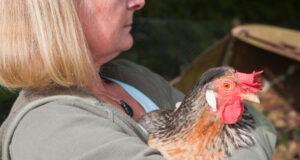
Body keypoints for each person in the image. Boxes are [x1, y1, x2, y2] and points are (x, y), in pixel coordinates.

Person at [0, 0, 276, 160]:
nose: (138, 1)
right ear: (59, 12)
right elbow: (255, 132)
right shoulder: (51, 129)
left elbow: (260, 123)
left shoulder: (133, 77)